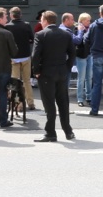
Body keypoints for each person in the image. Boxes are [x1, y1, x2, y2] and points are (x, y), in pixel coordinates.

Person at [32, 10, 76, 142]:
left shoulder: (40, 34)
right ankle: (68, 131)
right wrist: (67, 68)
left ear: (45, 21)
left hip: (46, 73)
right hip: (62, 72)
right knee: (63, 102)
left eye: (41, 20)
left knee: (49, 103)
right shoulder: (65, 34)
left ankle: (50, 133)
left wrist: (36, 71)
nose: (40, 22)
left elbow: (35, 55)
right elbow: (72, 53)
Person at [6, 6, 36, 111]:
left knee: (15, 82)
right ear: (20, 15)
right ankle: (31, 103)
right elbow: (32, 39)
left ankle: (18, 104)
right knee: (27, 81)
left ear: (11, 15)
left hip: (13, 57)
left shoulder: (7, 26)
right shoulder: (26, 25)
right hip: (26, 56)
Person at [73, 12, 93, 107]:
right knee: (81, 78)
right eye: (87, 20)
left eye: (89, 20)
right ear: (82, 21)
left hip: (89, 54)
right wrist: (81, 31)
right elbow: (78, 41)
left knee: (89, 77)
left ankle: (89, 97)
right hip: (81, 55)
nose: (89, 22)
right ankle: (80, 98)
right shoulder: (77, 29)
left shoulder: (90, 29)